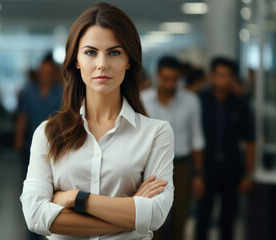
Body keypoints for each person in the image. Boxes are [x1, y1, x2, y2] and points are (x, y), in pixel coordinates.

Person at [20, 3, 174, 239]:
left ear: (129, 60)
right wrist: (132, 214)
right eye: (91, 52)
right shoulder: (47, 134)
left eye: (114, 52)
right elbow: (36, 215)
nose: (102, 64)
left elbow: (155, 215)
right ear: (76, 61)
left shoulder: (156, 133)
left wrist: (74, 198)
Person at [142, 56, 205, 240]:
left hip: (182, 166)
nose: (170, 84)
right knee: (154, 220)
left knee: (180, 218)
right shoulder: (143, 99)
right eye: (166, 78)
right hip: (152, 167)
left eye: (174, 79)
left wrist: (199, 174)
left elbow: (197, 138)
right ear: (158, 76)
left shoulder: (191, 100)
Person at [196, 57, 255, 240]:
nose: (225, 80)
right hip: (207, 166)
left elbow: (250, 141)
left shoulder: (241, 104)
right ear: (212, 77)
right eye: (220, 75)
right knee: (203, 216)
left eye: (229, 76)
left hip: (232, 167)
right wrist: (196, 172)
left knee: (228, 217)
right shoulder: (200, 101)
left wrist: (248, 174)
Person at [15, 54, 63, 240]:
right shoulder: (29, 91)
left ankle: (53, 231)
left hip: (56, 149)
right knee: (33, 192)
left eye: (49, 72)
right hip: (31, 148)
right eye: (42, 72)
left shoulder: (62, 91)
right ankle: (33, 232)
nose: (45, 75)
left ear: (54, 73)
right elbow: (23, 116)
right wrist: (18, 136)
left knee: (53, 192)